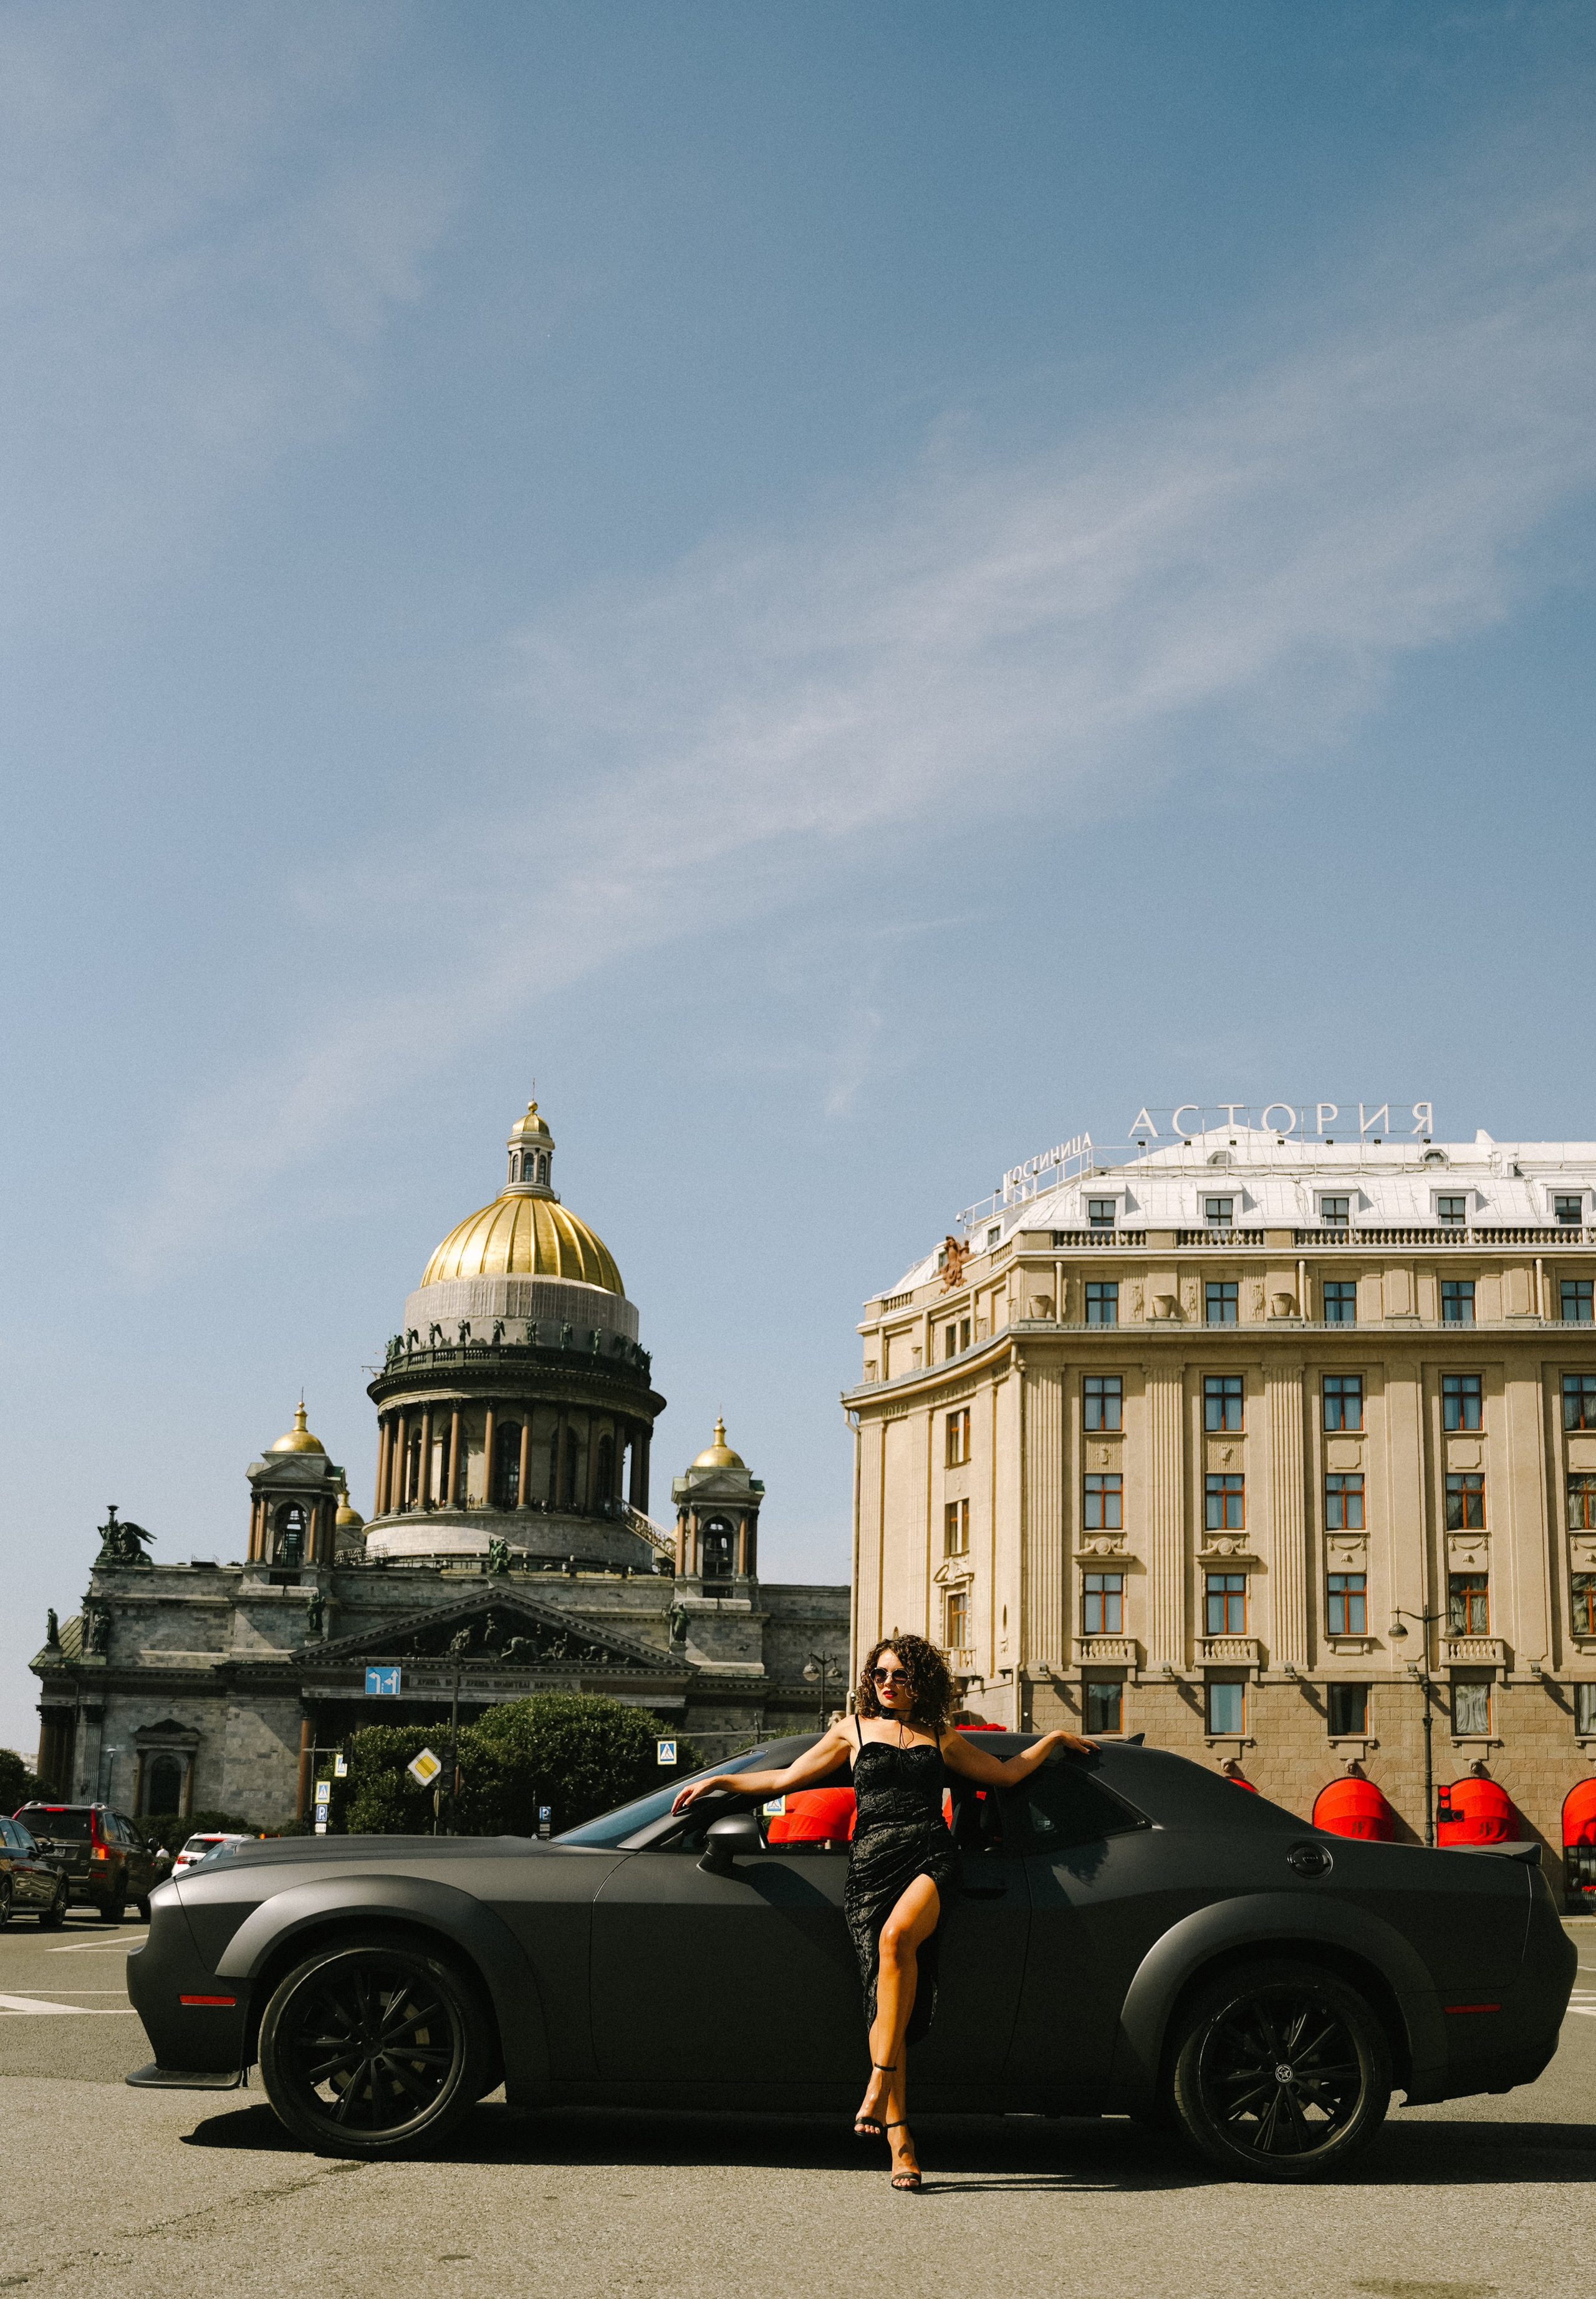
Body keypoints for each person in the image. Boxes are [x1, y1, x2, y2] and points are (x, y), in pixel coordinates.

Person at [673, 1631, 1094, 2190]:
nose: (888, 1683)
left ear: (921, 1681)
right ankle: (902, 2142)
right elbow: (784, 1779)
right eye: (880, 1674)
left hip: (930, 1854)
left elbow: (1006, 1774)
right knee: (882, 1995)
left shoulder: (940, 1735)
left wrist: (1055, 1738)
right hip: (870, 1868)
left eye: (900, 1674)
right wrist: (719, 1780)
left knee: (897, 1940)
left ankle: (877, 2080)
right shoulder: (850, 1730)